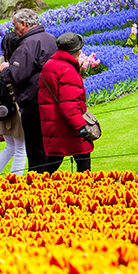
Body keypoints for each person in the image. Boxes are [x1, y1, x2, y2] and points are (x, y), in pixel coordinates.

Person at [1, 8, 58, 173]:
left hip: (33, 103)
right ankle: (49, 181)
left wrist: (5, 68)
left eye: (14, 25)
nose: (14, 29)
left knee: (35, 150)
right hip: (50, 99)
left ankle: (37, 185)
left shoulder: (27, 44)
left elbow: (16, 75)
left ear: (23, 24)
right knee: (49, 146)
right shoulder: (50, 39)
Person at [38, 33, 95, 173]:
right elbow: (69, 104)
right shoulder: (67, 70)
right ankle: (84, 191)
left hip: (53, 123)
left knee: (53, 161)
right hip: (68, 125)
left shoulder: (50, 64)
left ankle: (35, 189)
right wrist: (81, 125)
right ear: (77, 51)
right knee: (83, 161)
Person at [0, 32, 26, 175]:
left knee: (10, 146)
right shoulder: (16, 61)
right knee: (20, 149)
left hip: (0, 107)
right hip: (15, 107)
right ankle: (14, 182)